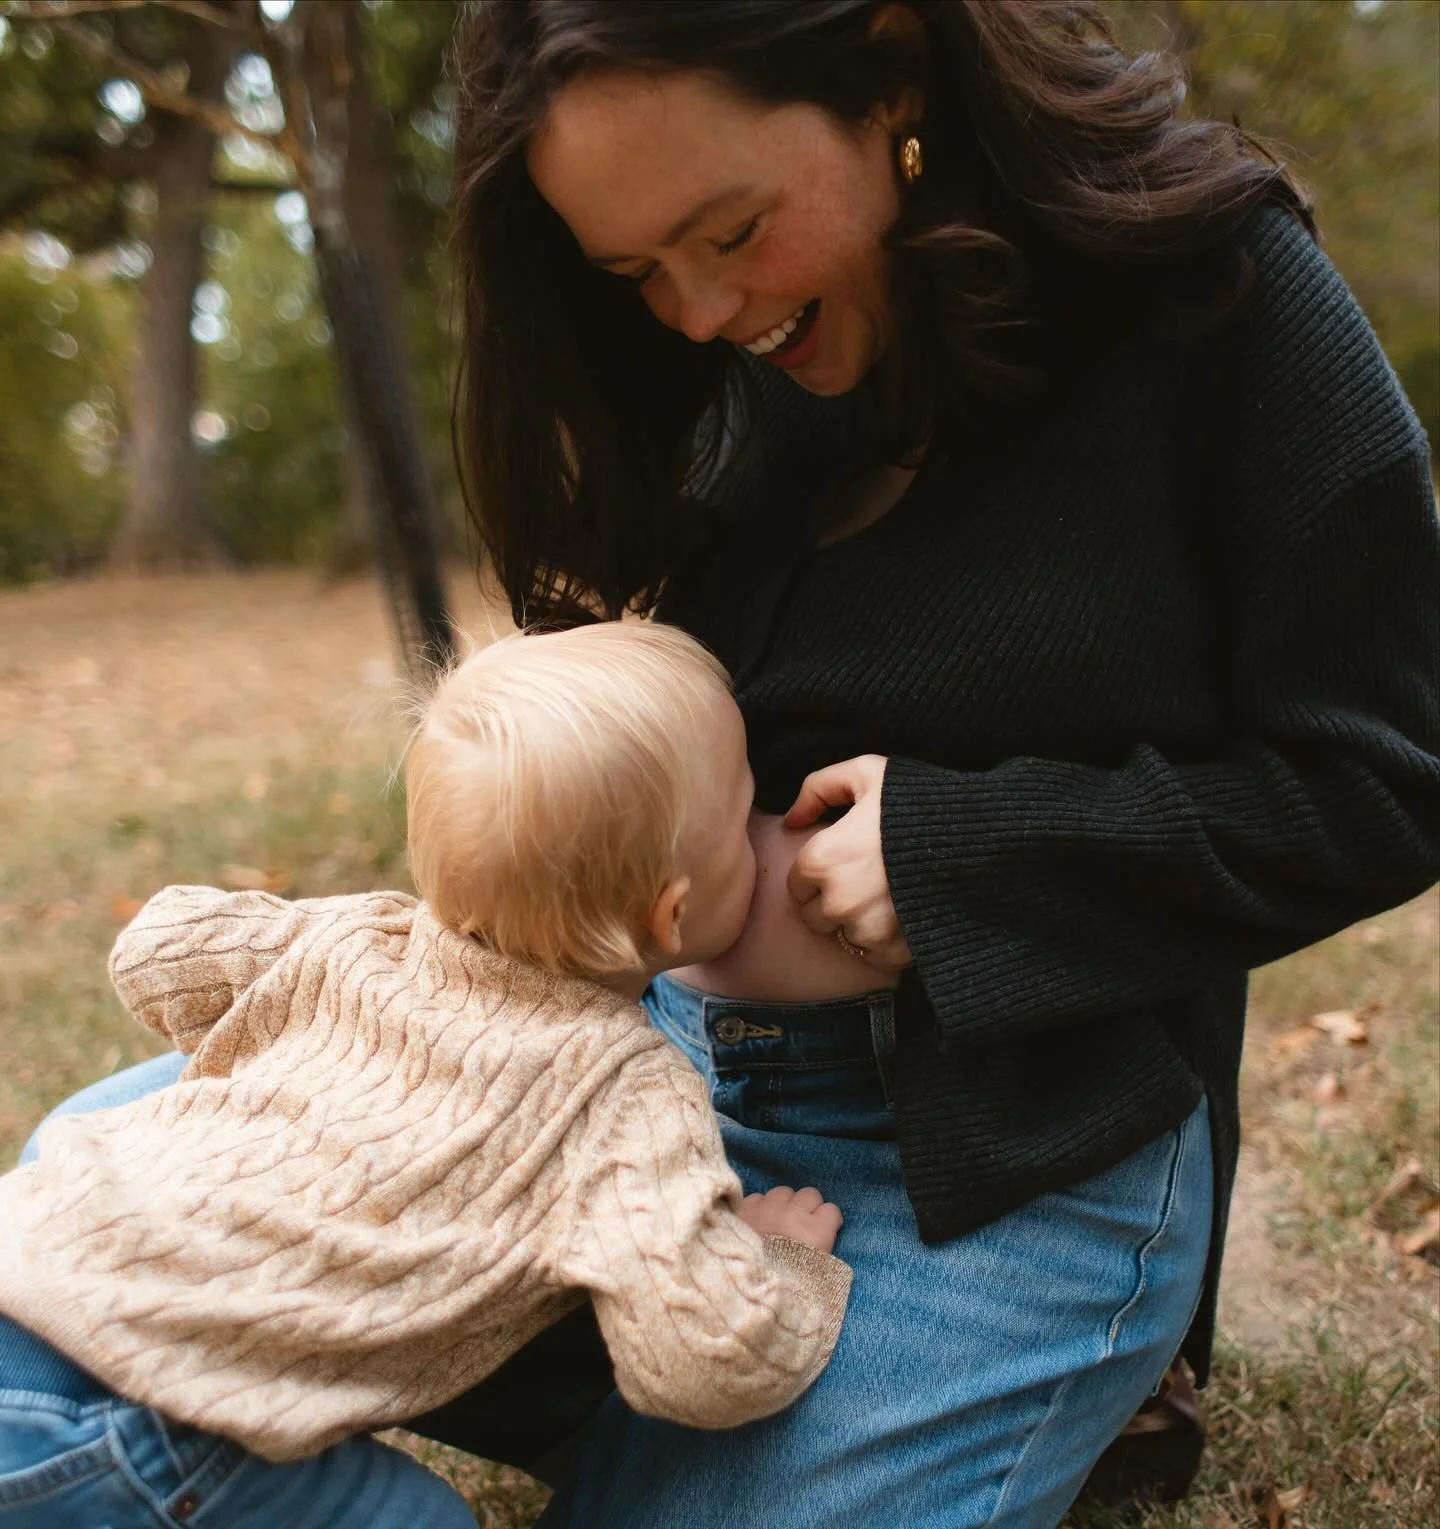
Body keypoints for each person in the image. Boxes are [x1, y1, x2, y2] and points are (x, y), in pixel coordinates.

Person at [420, 2, 1437, 1525]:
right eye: (635, 272)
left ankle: (933, 1394)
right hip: (652, 1096)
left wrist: (968, 856)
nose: (697, 312)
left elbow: (1393, 773)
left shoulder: (1215, 299)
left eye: (732, 230)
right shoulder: (726, 357)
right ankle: (688, 1395)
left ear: (890, 68)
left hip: (1008, 1161)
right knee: (112, 1224)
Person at [0, 623, 852, 1529]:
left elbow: (158, 947)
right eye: (745, 808)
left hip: (26, 1267)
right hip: (130, 1420)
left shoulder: (358, 941)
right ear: (671, 911)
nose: (766, 822)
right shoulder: (623, 1094)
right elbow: (708, 1356)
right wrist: (780, 1260)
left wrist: (297, 1064)